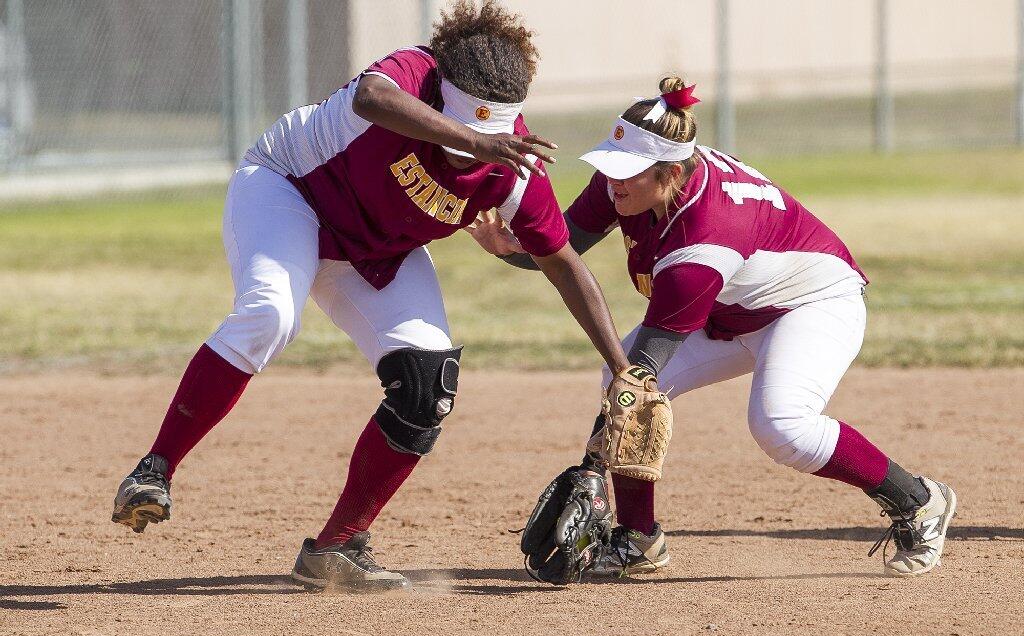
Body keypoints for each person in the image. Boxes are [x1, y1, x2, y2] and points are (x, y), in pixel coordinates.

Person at [111, 0, 638, 592]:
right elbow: (370, 99)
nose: (479, 147)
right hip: (290, 191)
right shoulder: (415, 71)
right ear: (442, 93)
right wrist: (475, 139)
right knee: (269, 314)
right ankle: (154, 469)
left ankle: (337, 546)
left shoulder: (512, 165)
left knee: (427, 383)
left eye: (493, 133)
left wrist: (622, 369)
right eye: (472, 132)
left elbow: (563, 261)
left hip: (374, 250)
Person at [474, 77, 956, 579]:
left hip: (811, 305)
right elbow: (563, 243)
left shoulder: (704, 238)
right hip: (729, 310)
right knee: (617, 380)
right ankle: (639, 539)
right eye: (610, 166)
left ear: (672, 174)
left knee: (780, 426)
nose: (613, 181)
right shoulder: (625, 186)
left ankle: (918, 500)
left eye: (630, 172)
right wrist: (513, 248)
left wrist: (592, 465)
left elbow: (641, 370)